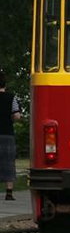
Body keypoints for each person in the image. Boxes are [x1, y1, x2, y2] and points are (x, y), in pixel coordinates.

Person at [0, 72, 22, 201]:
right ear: (5, 84)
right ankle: (9, 192)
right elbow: (17, 116)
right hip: (7, 133)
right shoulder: (11, 97)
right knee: (8, 161)